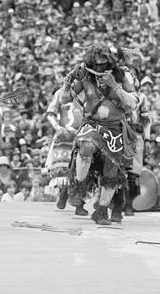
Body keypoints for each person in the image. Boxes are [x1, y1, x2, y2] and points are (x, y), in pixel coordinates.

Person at [50, 43, 139, 225]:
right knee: (87, 145)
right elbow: (65, 99)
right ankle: (78, 186)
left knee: (112, 173)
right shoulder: (85, 77)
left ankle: (101, 211)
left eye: (103, 64)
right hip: (91, 125)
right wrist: (67, 83)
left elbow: (132, 104)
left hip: (115, 129)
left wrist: (115, 86)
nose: (99, 68)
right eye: (96, 64)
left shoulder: (122, 77)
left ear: (110, 62)